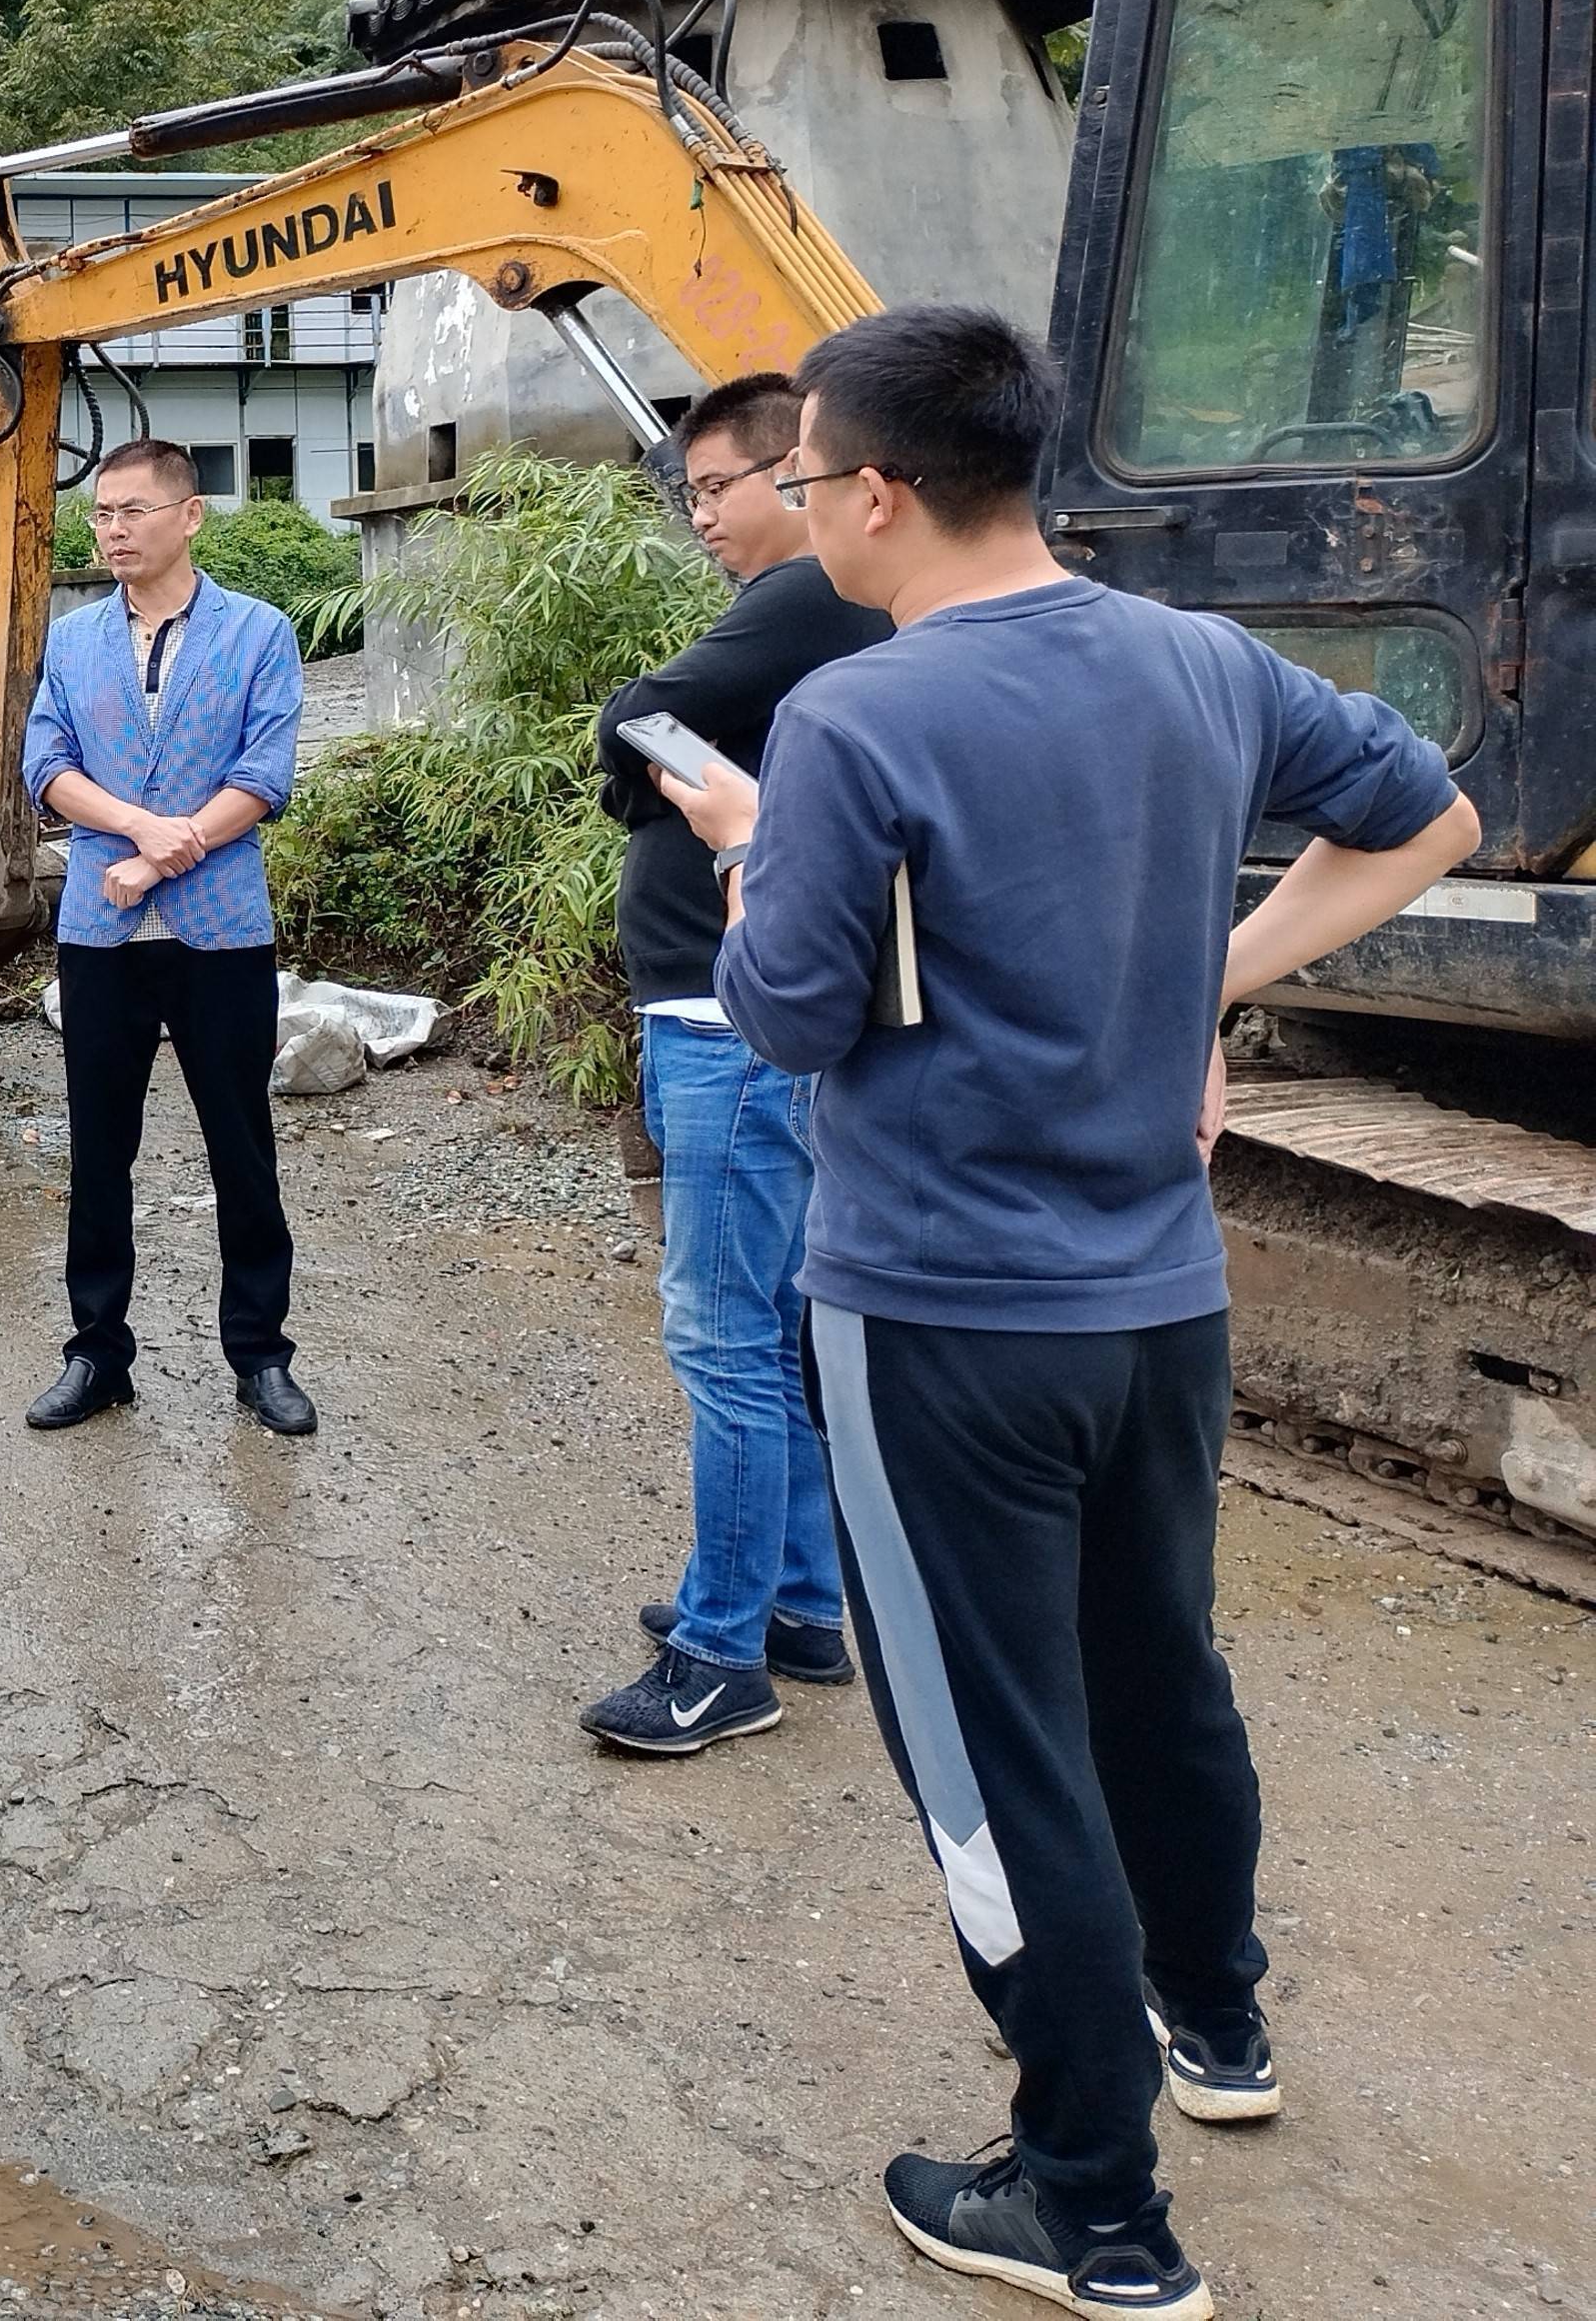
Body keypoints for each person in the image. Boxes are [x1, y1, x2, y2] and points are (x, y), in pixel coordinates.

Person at [660, 307, 1475, 2321]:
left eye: (797, 475)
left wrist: (754, 854)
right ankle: (1216, 2027)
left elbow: (779, 1017)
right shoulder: (1191, 657)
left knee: (985, 1745)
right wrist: (1205, 976)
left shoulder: (855, 719)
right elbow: (1427, 818)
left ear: (865, 490)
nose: (785, 507)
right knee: (1153, 1678)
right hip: (1151, 1306)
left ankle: (1089, 2206)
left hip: (934, 1311)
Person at [579, 373, 890, 1756]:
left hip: (725, 1025)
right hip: (743, 1018)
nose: (698, 513)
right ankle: (802, 1606)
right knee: (779, 1329)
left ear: (796, 471)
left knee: (725, 1340)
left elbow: (636, 715)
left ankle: (721, 1656)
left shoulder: (807, 595)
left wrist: (639, 769)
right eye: (688, 491)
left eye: (715, 486)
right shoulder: (819, 607)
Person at [21, 437, 311, 1435]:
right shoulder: (71, 640)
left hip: (220, 931)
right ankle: (97, 1356)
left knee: (242, 1148)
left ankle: (260, 1356)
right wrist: (144, 831)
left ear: (188, 516)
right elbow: (43, 760)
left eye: (133, 510)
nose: (112, 530)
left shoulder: (259, 632)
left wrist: (168, 850)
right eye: (101, 513)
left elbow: (265, 772)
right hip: (103, 928)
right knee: (101, 1151)